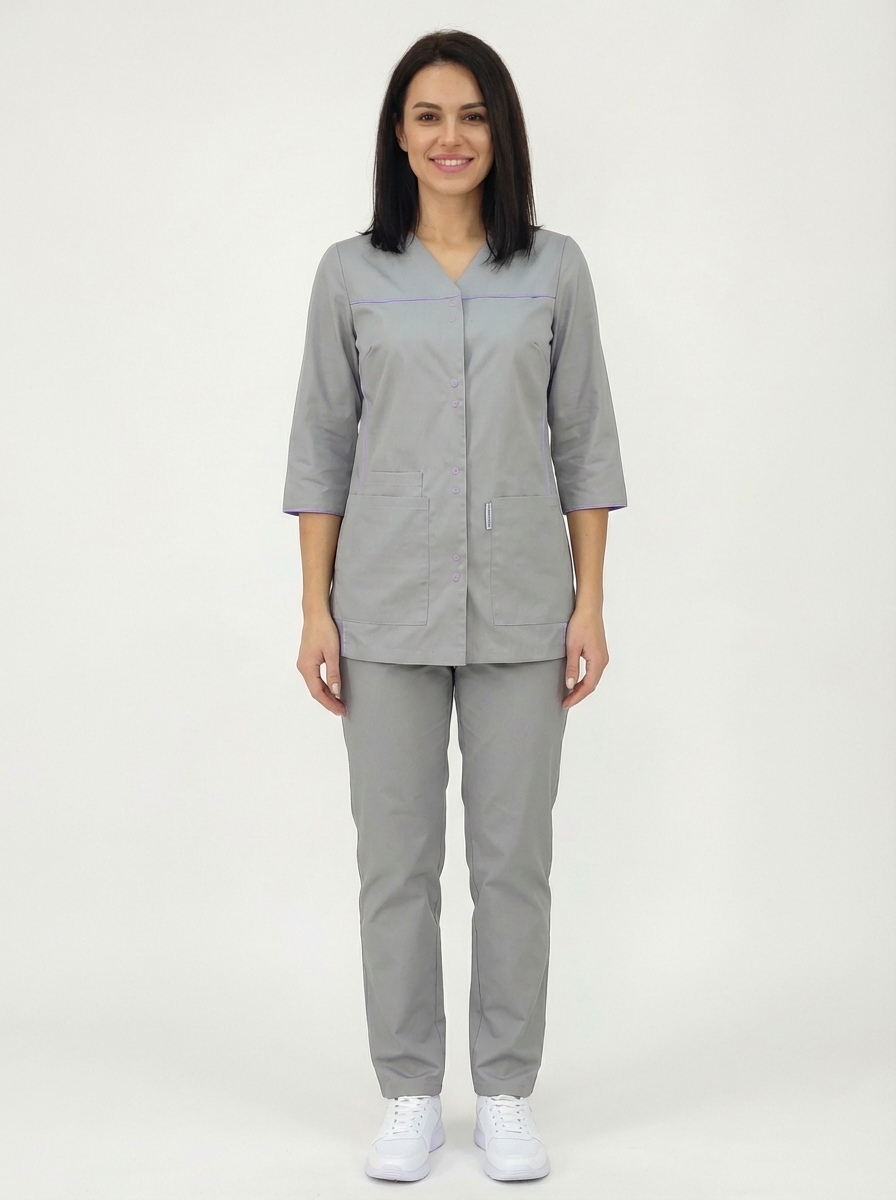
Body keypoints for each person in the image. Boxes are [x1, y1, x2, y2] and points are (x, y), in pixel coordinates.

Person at [282, 28, 627, 1183]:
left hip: (524, 610)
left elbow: (582, 442)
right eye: (428, 115)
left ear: (499, 132)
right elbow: (321, 447)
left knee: (511, 862)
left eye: (471, 115)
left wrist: (589, 603)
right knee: (395, 865)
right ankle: (408, 1093)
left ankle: (508, 1092)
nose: (450, 137)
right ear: (398, 133)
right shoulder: (349, 274)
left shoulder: (553, 268)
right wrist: (315, 609)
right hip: (380, 611)